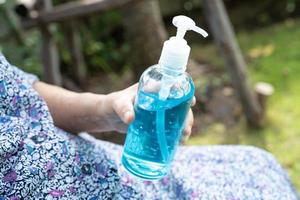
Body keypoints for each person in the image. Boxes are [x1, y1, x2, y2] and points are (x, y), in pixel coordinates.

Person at [0, 52, 299, 200]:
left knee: (255, 163)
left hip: (92, 161)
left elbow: (21, 94)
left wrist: (107, 109)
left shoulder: (169, 80)